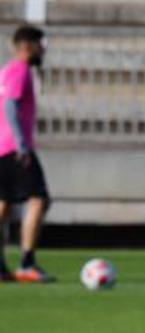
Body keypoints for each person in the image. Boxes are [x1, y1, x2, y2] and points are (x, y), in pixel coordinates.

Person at [0, 25, 50, 283]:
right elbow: (10, 106)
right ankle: (27, 263)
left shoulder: (6, 71)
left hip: (1, 147)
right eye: (42, 45)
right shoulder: (20, 71)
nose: (44, 50)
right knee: (38, 199)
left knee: (4, 204)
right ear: (29, 46)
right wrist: (21, 144)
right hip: (13, 147)